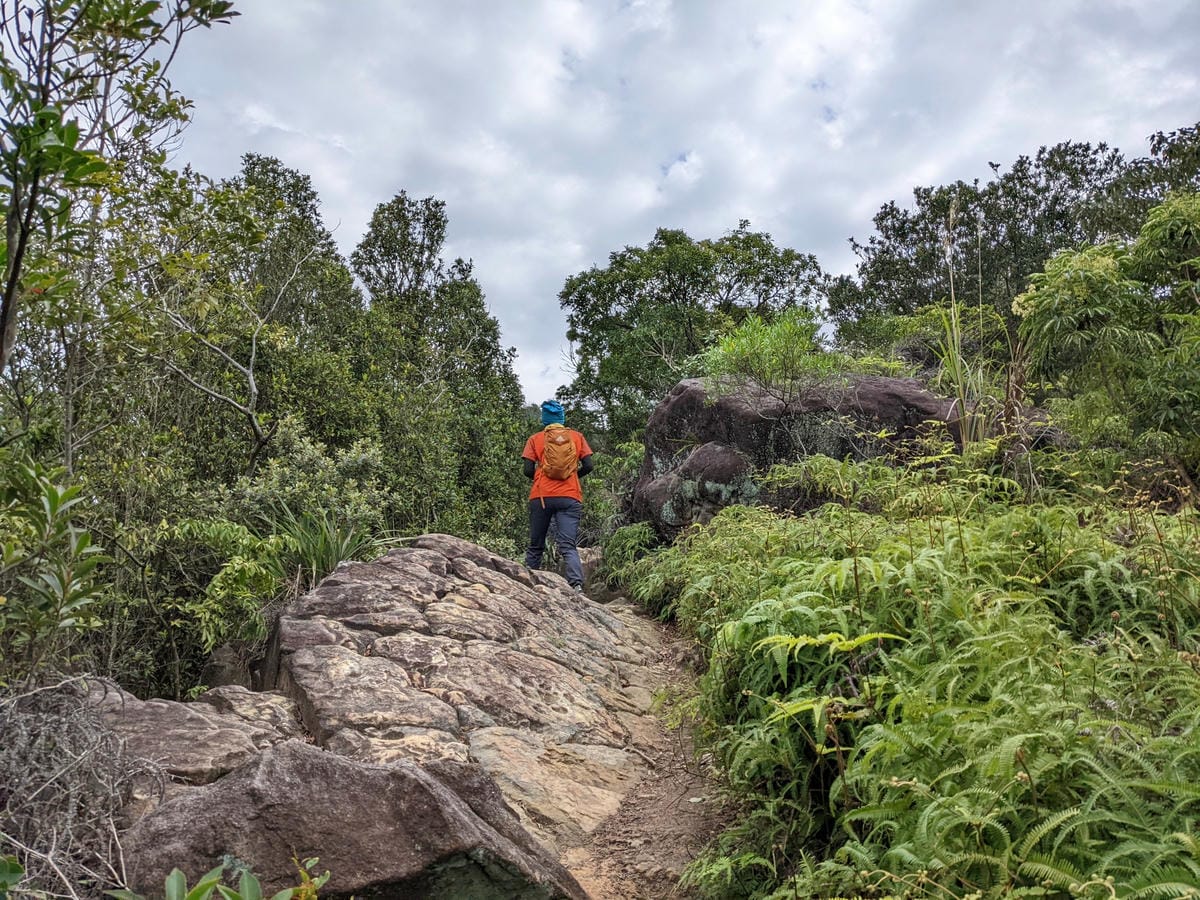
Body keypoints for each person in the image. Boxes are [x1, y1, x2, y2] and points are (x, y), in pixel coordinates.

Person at [522, 399, 594, 591]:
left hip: (541, 496)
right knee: (568, 546)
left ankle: (527, 585)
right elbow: (589, 466)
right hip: (570, 496)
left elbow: (527, 470)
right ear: (561, 417)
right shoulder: (577, 437)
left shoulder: (535, 439)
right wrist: (572, 477)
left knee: (536, 544)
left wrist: (541, 478)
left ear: (545, 419)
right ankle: (576, 585)